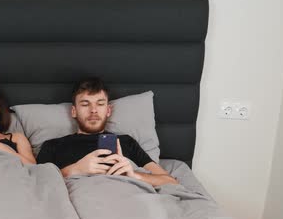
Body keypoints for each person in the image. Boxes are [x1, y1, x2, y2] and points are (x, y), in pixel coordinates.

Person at [37, 77, 178, 186]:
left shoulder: (126, 142)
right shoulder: (53, 145)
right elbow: (37, 184)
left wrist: (133, 175)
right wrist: (74, 170)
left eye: (100, 104)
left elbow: (170, 181)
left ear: (108, 110)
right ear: (74, 111)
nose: (93, 110)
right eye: (85, 104)